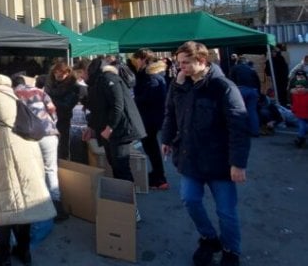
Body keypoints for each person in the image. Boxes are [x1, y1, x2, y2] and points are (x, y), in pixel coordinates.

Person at [161, 41, 250, 266]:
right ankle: (209, 238)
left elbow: (239, 126)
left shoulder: (223, 87)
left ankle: (231, 250)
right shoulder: (180, 84)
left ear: (201, 61)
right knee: (189, 199)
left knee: (226, 212)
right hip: (190, 157)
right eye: (179, 63)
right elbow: (171, 113)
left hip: (220, 161)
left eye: (185, 63)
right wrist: (167, 139)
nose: (180, 67)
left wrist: (238, 163)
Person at [0, 72, 55, 266]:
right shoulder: (11, 94)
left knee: (6, 202)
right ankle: (24, 252)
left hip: (9, 149)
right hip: (29, 147)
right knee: (24, 201)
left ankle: (1, 257)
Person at [11, 74, 68, 222]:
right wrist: (50, 125)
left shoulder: (13, 95)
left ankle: (39, 208)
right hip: (49, 134)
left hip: (29, 137)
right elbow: (53, 111)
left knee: (34, 170)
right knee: (50, 169)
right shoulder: (40, 91)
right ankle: (57, 207)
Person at [84, 56, 146, 186]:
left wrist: (110, 127)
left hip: (121, 129)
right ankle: (122, 200)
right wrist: (91, 127)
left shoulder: (108, 78)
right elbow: (97, 108)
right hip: (113, 128)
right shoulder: (98, 82)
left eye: (84, 71)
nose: (83, 75)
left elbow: (118, 105)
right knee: (115, 164)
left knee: (121, 166)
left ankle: (129, 204)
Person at [133, 57, 169, 190]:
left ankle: (159, 177)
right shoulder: (158, 77)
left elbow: (149, 98)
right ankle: (158, 175)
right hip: (152, 117)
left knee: (151, 148)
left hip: (150, 118)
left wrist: (135, 99)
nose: (138, 63)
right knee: (151, 148)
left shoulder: (153, 78)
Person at [44, 60, 87, 160]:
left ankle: (64, 164)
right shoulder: (49, 83)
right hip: (47, 119)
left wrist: (50, 102)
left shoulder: (73, 86)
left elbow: (67, 105)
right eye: (56, 72)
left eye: (61, 72)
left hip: (63, 118)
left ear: (68, 73)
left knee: (62, 145)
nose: (58, 74)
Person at [229, 56, 262, 137]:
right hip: (253, 90)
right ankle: (255, 131)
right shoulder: (251, 69)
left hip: (241, 89)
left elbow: (230, 81)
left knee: (239, 111)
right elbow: (258, 81)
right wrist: (258, 93)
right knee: (252, 111)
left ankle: (241, 132)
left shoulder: (235, 68)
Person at [289, 70, 308, 147]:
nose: (300, 78)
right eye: (298, 76)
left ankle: (300, 138)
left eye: (301, 76)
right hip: (303, 110)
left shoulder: (294, 92)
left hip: (300, 111)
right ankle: (301, 137)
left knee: (302, 124)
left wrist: (293, 109)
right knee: (302, 124)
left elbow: (292, 101)